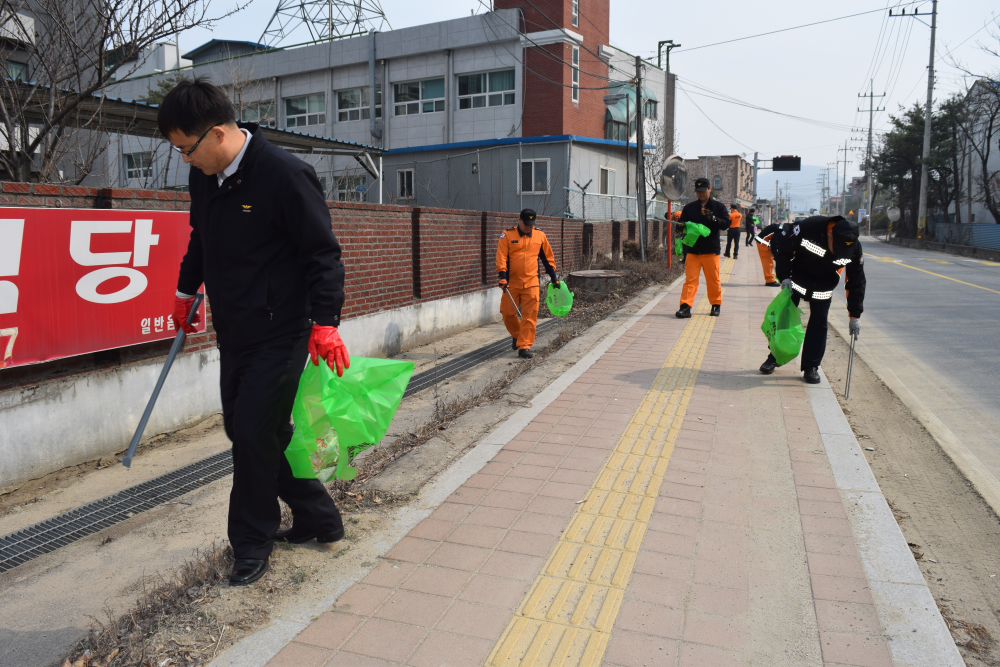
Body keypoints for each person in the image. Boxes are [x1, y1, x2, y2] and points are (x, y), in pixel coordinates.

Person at [160, 78, 349, 586]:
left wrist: (327, 322)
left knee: (249, 434)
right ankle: (318, 518)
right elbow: (202, 236)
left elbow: (322, 254)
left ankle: (250, 542)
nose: (183, 160)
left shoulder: (286, 176)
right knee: (255, 432)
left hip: (282, 331)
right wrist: (184, 291)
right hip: (235, 331)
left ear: (218, 134)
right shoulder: (207, 176)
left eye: (186, 148)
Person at [759, 215, 866, 383]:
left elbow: (856, 281)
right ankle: (774, 357)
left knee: (819, 324)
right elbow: (784, 249)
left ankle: (811, 367)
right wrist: (785, 276)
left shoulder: (854, 248)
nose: (837, 252)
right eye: (836, 246)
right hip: (796, 281)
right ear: (830, 234)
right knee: (784, 321)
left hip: (823, 287)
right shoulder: (810, 227)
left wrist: (855, 316)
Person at [496, 209, 558, 358]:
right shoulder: (507, 235)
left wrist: (554, 277)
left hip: (532, 282)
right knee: (507, 313)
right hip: (512, 283)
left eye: (531, 224)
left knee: (530, 315)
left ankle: (524, 346)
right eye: (526, 224)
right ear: (519, 220)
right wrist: (502, 276)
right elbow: (502, 256)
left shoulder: (540, 236)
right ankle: (518, 336)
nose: (529, 228)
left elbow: (547, 258)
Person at [675, 177, 730, 318]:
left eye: (704, 191)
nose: (701, 194)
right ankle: (685, 307)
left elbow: (725, 224)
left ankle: (716, 305)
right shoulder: (689, 207)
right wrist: (680, 227)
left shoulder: (718, 207)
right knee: (690, 280)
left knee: (713, 280)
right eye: (698, 191)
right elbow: (682, 223)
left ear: (709, 189)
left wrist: (714, 218)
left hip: (711, 250)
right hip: (693, 250)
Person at [753, 222, 782, 287]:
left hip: (765, 240)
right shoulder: (782, 231)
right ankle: (770, 281)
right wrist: (776, 255)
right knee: (768, 261)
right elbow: (774, 243)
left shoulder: (784, 228)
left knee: (769, 260)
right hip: (763, 241)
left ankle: (771, 278)